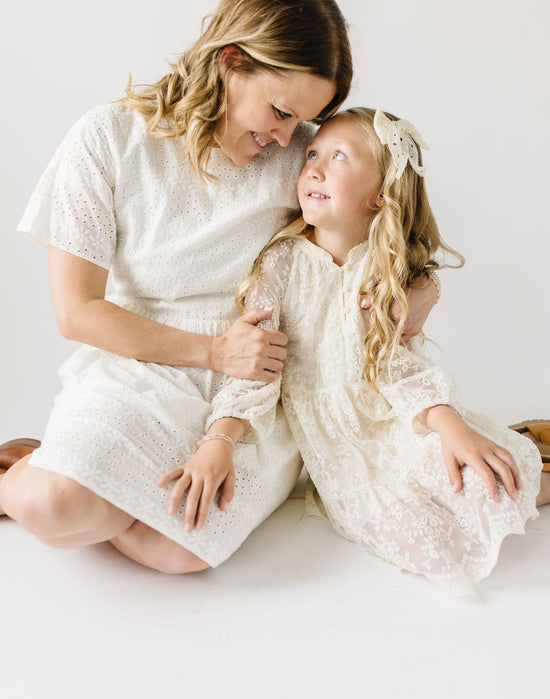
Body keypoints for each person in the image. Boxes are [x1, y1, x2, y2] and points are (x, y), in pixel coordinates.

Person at [0, 1, 438, 571]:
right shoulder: (107, 139)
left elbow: (396, 223)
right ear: (232, 61)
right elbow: (77, 312)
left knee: (178, 550)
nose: (286, 139)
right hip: (141, 363)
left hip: (259, 387)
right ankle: (34, 473)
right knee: (55, 507)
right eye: (279, 111)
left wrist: (421, 288)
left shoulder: (297, 156)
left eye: (299, 121)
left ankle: (93, 478)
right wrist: (212, 351)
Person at [160, 106, 549, 595]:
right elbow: (254, 368)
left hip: (399, 419)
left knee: (483, 484)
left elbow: (397, 370)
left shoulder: (383, 270)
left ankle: (531, 463)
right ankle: (525, 452)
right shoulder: (280, 264)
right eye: (314, 154)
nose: (314, 169)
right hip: (337, 441)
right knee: (422, 539)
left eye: (339, 157)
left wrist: (453, 430)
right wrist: (218, 441)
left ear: (382, 193)